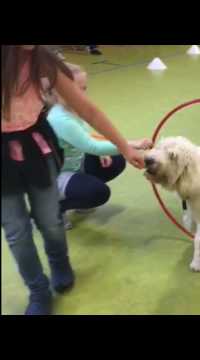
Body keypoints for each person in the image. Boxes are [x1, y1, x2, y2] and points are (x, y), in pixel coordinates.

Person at [1, 45, 145, 315]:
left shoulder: (43, 61)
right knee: (16, 231)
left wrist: (124, 146)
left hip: (35, 147)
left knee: (50, 220)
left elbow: (88, 110)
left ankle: (59, 262)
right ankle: (38, 291)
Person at [46, 63, 152, 229]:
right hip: (55, 176)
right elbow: (91, 146)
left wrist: (122, 146)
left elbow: (89, 136)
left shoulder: (74, 109)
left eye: (84, 89)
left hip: (73, 165)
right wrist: (131, 146)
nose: (82, 95)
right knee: (98, 192)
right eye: (77, 90)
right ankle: (52, 209)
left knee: (114, 161)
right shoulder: (60, 118)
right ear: (60, 89)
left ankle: (76, 194)